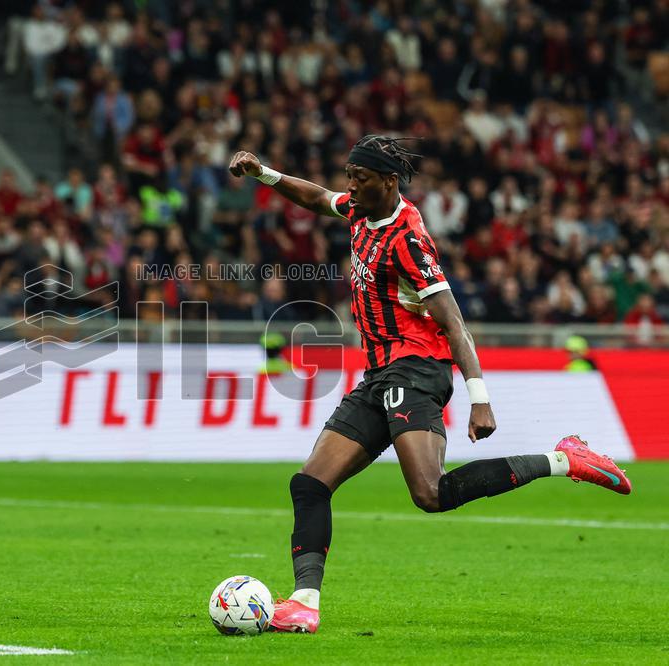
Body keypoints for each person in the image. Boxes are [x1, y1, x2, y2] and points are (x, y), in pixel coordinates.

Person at [228, 135, 632, 634]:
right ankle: (304, 605)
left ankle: (566, 458)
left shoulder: (408, 241)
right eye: (349, 176)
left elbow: (454, 322)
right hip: (379, 374)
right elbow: (315, 197)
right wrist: (263, 172)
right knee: (310, 483)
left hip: (417, 369)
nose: (350, 187)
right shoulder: (360, 210)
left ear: (389, 182)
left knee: (430, 493)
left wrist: (478, 398)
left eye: (361, 179)